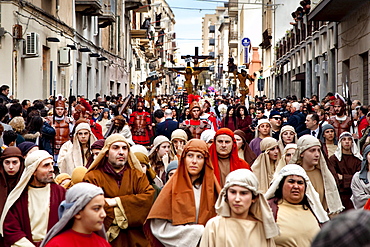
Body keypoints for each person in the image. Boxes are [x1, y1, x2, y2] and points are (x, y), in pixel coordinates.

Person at [146, 139, 220, 247]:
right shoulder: (172, 186)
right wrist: (196, 232)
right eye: (190, 156)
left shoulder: (212, 188)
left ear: (205, 161)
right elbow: (158, 226)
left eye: (199, 157)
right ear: (184, 159)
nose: (194, 161)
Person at [83, 134, 154, 247]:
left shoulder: (138, 176)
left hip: (136, 241)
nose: (121, 152)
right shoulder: (92, 177)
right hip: (104, 241)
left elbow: (147, 199)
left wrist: (116, 202)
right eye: (115, 148)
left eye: (124, 148)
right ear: (106, 153)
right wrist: (128, 207)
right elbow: (90, 206)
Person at [0, 150, 66, 246]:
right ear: (33, 171)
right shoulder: (19, 197)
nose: (51, 169)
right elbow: (12, 230)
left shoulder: (60, 193)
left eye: (52, 164)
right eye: (46, 165)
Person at [200, 169, 279, 247]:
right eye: (233, 192)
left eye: (243, 193)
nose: (237, 199)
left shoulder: (261, 228)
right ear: (226, 195)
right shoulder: (214, 226)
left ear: (254, 198)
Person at [265, 164, 329, 247]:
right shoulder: (269, 209)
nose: (296, 186)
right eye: (291, 182)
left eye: (300, 183)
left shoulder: (315, 211)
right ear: (281, 185)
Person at [40, 183, 110, 247]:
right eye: (96, 209)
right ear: (77, 212)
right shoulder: (57, 244)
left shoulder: (103, 244)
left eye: (103, 208)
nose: (103, 214)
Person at [290, 135, 343, 214]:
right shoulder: (292, 175)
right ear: (301, 153)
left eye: (318, 150)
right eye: (312, 150)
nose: (317, 154)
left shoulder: (323, 175)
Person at [329, 132, 362, 210]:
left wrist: (343, 177)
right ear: (340, 142)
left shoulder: (358, 160)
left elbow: (359, 179)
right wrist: (351, 178)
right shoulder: (333, 159)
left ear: (352, 142)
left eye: (349, 139)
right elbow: (334, 178)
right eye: (344, 139)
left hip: (354, 196)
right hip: (339, 196)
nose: (347, 141)